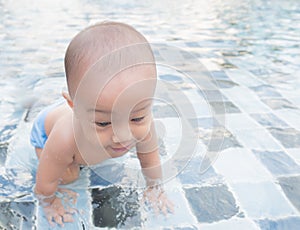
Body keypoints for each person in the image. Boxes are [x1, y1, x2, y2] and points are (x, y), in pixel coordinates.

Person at [30, 21, 174, 227]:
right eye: (104, 123)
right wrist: (49, 203)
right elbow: (44, 183)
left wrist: (154, 187)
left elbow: (150, 160)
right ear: (74, 107)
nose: (123, 135)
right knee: (69, 175)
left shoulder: (145, 125)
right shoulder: (65, 138)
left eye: (136, 118)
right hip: (46, 131)